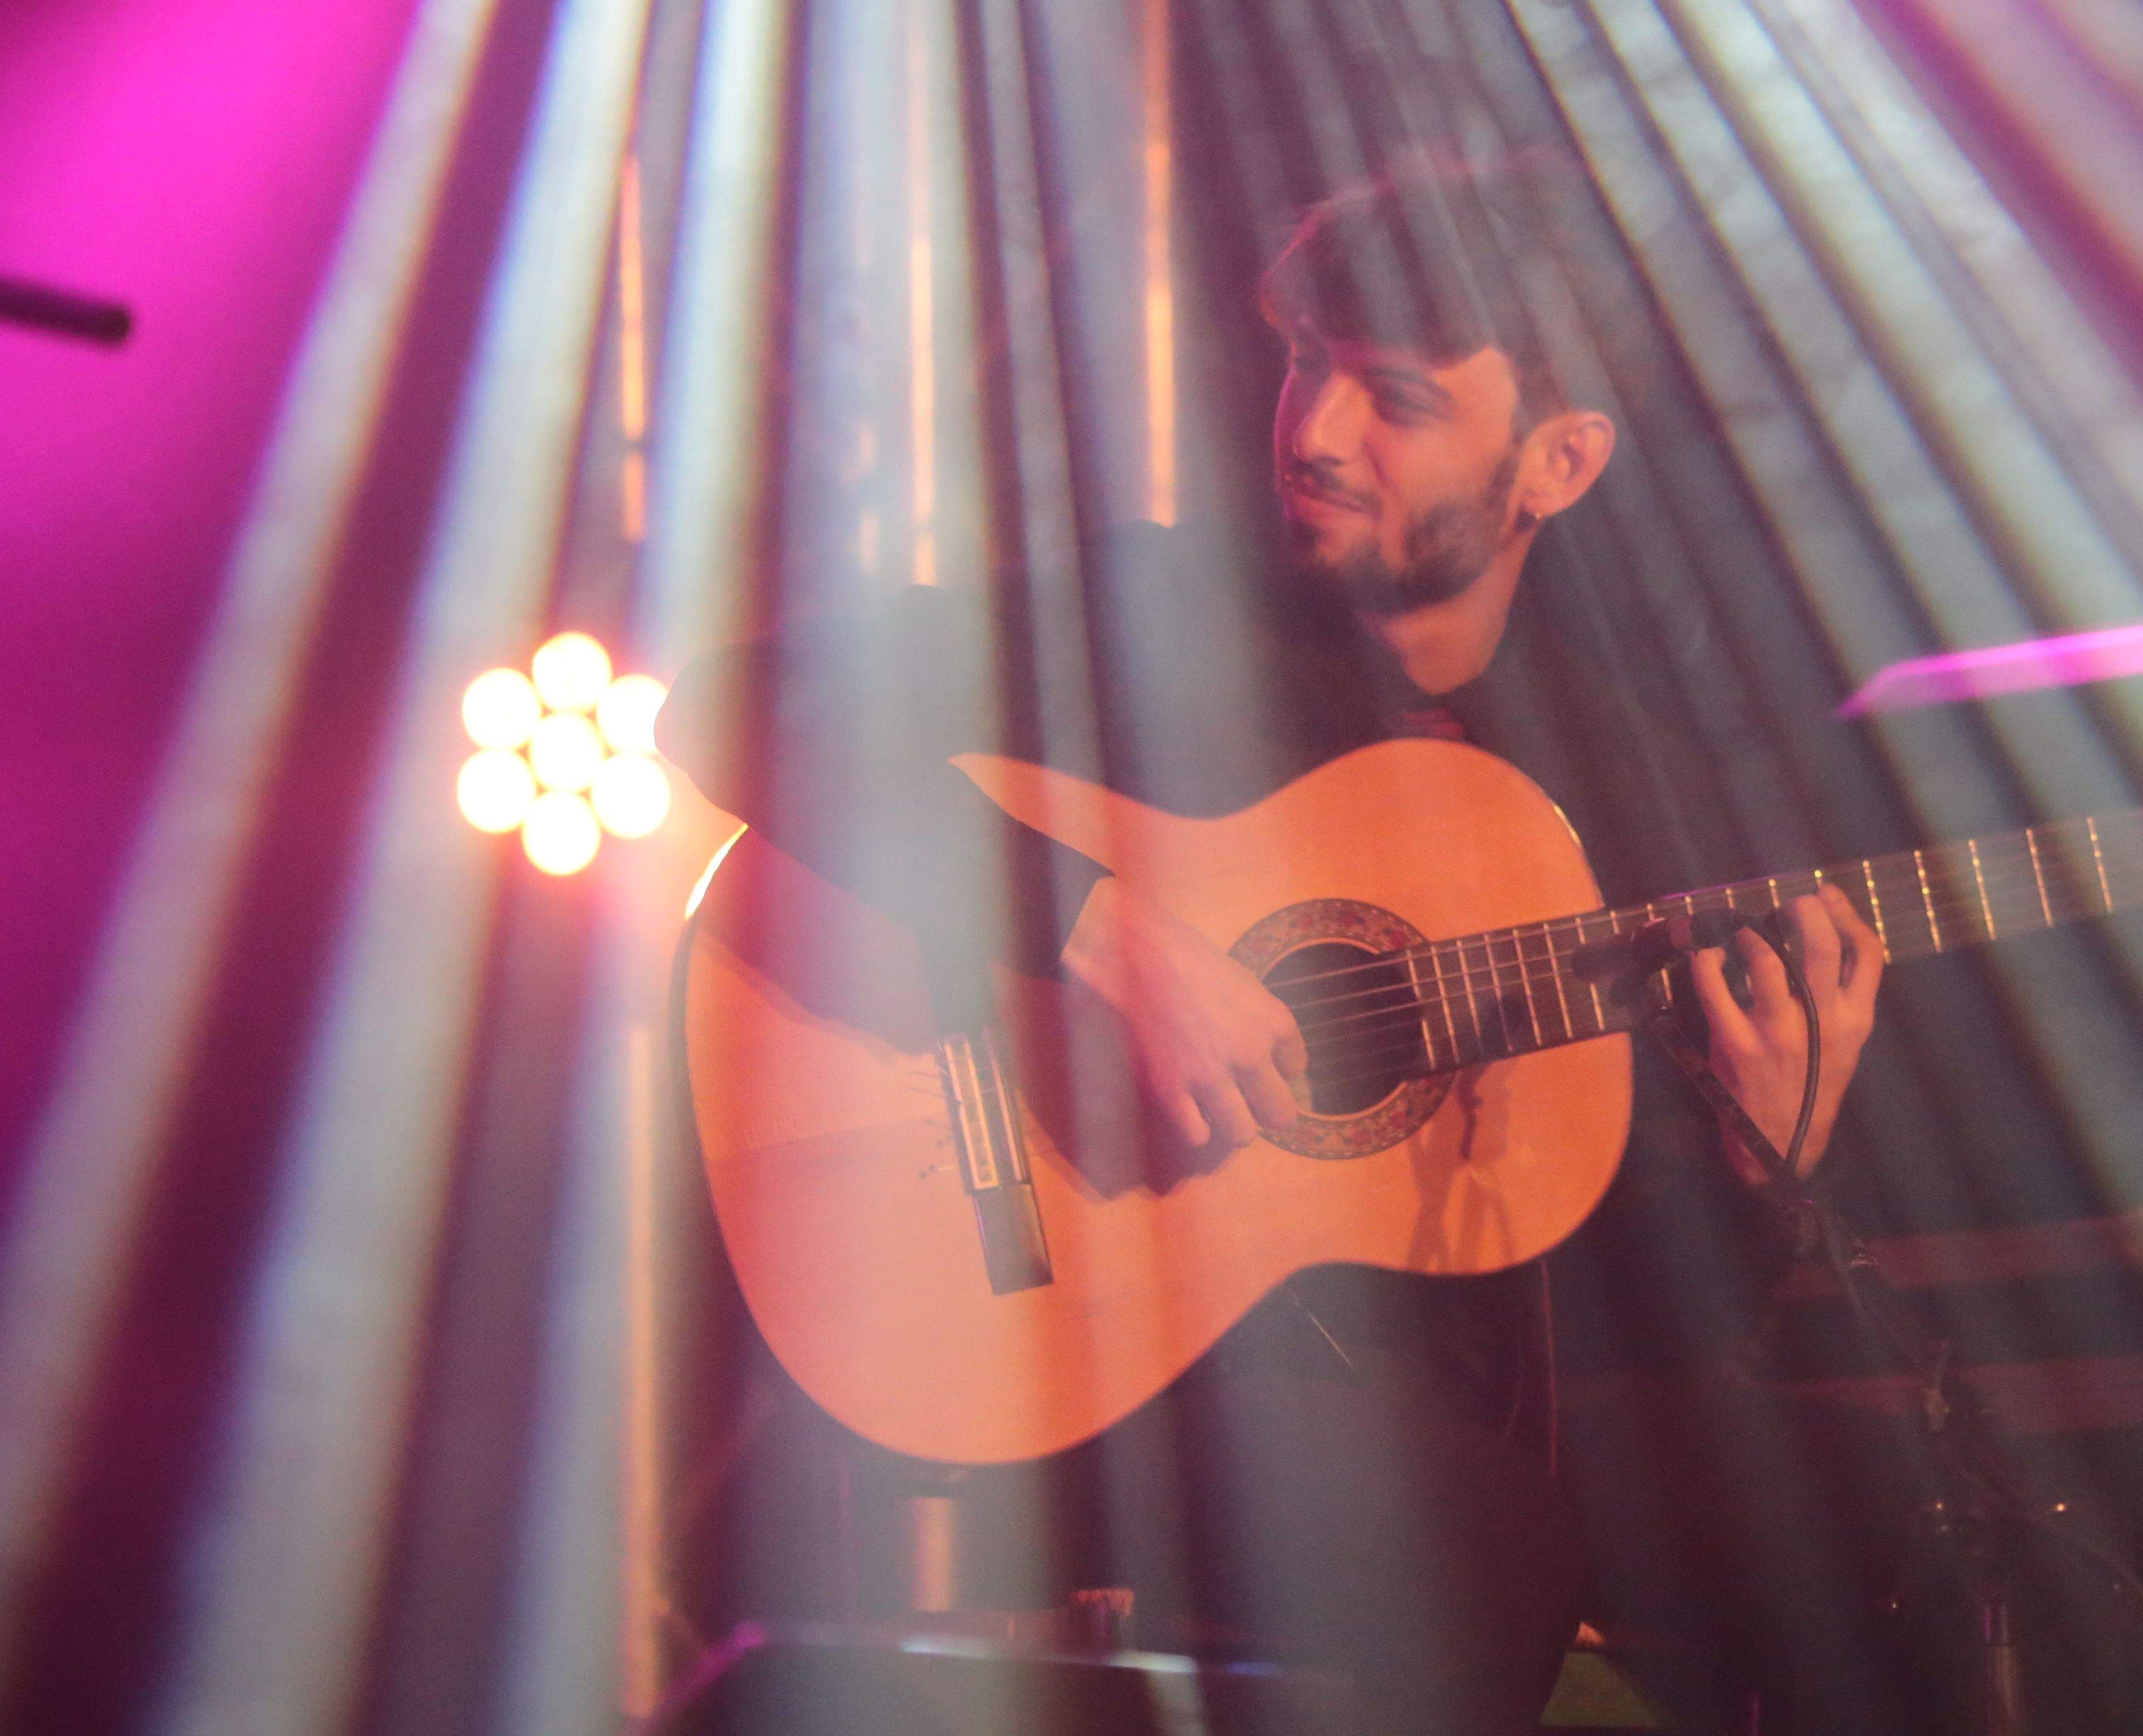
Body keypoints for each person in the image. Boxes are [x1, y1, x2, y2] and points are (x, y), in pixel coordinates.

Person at [665, 153, 1894, 1733]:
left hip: (1398, 1395)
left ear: (1559, 463)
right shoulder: (1158, 606)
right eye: (1306, 360)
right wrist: (1095, 928)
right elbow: (737, 697)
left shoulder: (1620, 791)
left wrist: (1762, 1179)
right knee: (1466, 1540)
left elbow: (1639, 1327)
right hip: (1089, 1342)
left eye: (1392, 394)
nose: (1311, 430)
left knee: (1866, 1533)